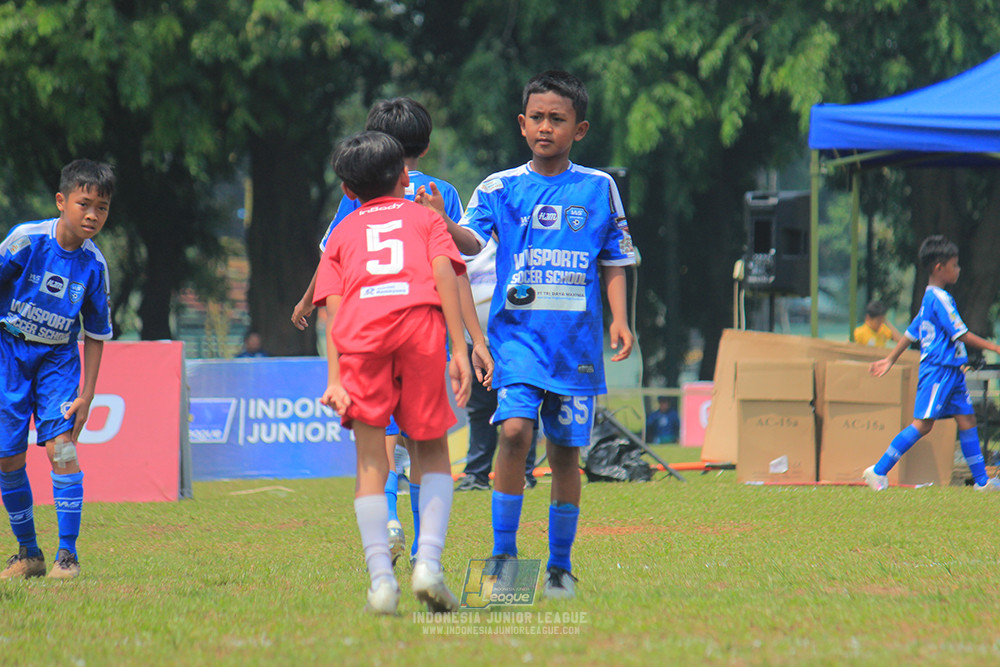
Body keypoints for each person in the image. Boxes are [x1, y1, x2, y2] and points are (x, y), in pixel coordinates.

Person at [438, 70, 636, 599]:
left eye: (558, 119)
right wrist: (442, 223)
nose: (546, 127)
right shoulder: (498, 187)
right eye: (537, 118)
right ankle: (504, 559)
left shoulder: (599, 187)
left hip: (575, 347)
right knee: (513, 433)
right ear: (522, 124)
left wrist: (619, 319)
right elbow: (470, 243)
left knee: (567, 453)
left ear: (580, 129)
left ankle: (559, 568)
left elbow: (615, 259)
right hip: (517, 341)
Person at [290, 97, 477, 567]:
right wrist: (468, 341)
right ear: (425, 147)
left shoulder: (357, 198)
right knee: (425, 444)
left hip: (367, 330)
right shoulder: (440, 194)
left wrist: (307, 300)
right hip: (424, 330)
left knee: (382, 441)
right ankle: (423, 551)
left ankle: (388, 523)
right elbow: (454, 265)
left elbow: (333, 258)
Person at [0, 159, 116, 580]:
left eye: (102, 208)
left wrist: (87, 394)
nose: (92, 215)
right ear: (61, 201)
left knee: (62, 448)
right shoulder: (25, 242)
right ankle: (28, 553)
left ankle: (68, 556)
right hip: (9, 353)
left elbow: (96, 333)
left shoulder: (94, 265)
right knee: (8, 458)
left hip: (58, 360)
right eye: (84, 204)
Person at [864, 235, 1000, 492]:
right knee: (923, 425)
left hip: (952, 372)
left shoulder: (930, 298)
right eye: (954, 265)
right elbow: (961, 334)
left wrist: (890, 359)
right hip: (938, 370)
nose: (958, 269)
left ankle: (982, 483)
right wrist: (995, 347)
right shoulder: (939, 299)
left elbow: (911, 332)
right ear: (939, 267)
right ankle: (878, 470)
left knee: (967, 420)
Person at [454, 237, 539, 492]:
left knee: (521, 408)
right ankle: (477, 473)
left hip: (518, 342)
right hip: (477, 343)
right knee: (480, 409)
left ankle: (522, 473)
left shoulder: (524, 240)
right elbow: (455, 291)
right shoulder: (468, 243)